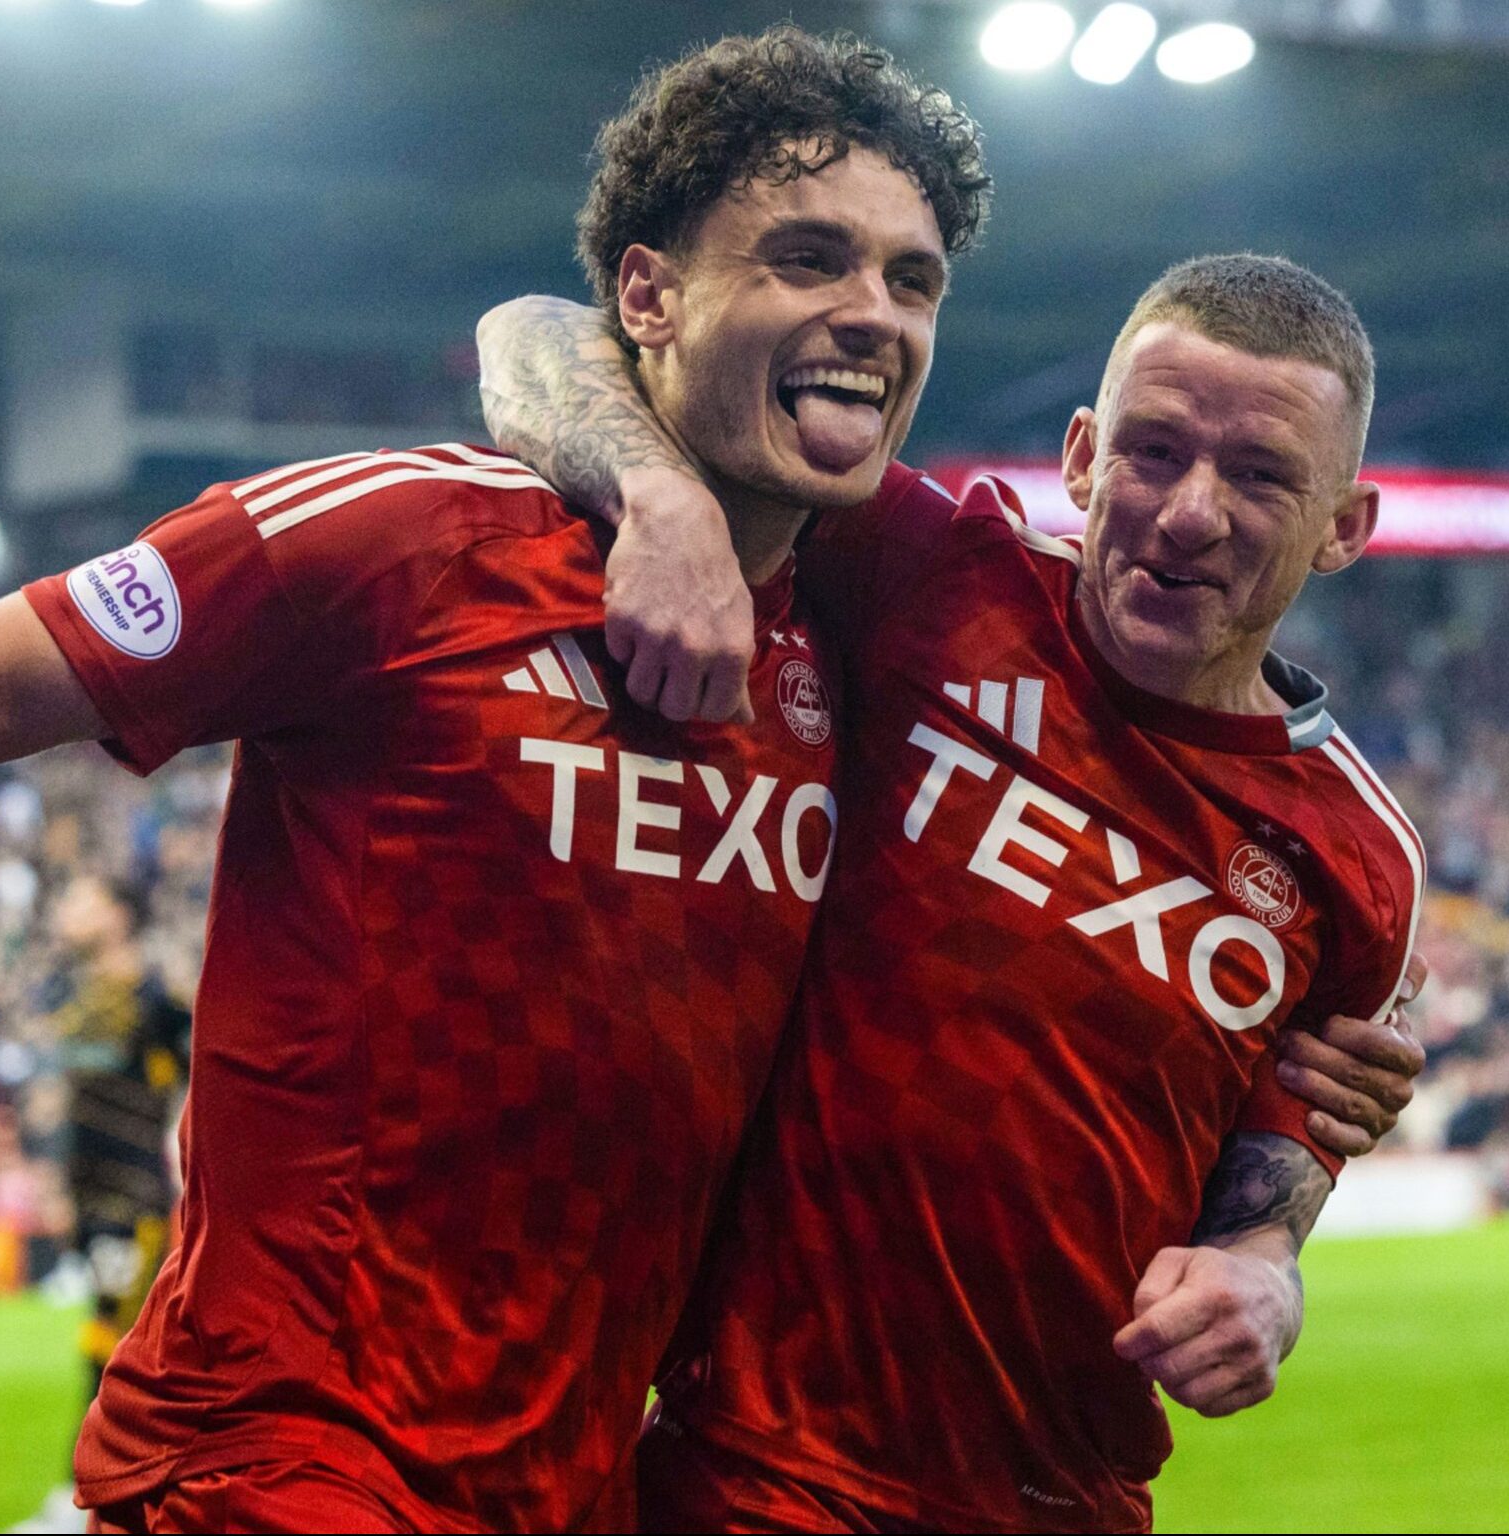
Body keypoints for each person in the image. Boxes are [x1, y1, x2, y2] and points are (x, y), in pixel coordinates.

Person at [0, 31, 1413, 1533]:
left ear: (1344, 524)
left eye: (911, 280)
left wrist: (1267, 1242)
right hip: (293, 1452)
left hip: (590, 1481)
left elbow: (1278, 1087)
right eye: (810, 257)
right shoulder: (393, 543)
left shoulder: (871, 622)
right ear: (654, 296)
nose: (871, 317)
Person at [479, 251, 1425, 1531]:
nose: (1190, 512)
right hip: (747, 1467)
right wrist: (662, 497)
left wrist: (1266, 1276)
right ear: (1082, 458)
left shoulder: (1360, 864)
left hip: (1065, 1497)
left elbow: (1276, 1166)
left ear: (1345, 529)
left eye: (1260, 474)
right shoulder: (939, 577)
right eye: (1152, 451)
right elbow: (534, 333)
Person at [45, 874, 191, 1404]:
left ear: (117, 916)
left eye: (79, 897)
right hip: (86, 1201)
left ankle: (84, 1478)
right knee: (107, 1329)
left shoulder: (157, 1001)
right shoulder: (74, 1001)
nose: (65, 910)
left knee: (118, 1335)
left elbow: (203, 1078)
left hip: (133, 1202)